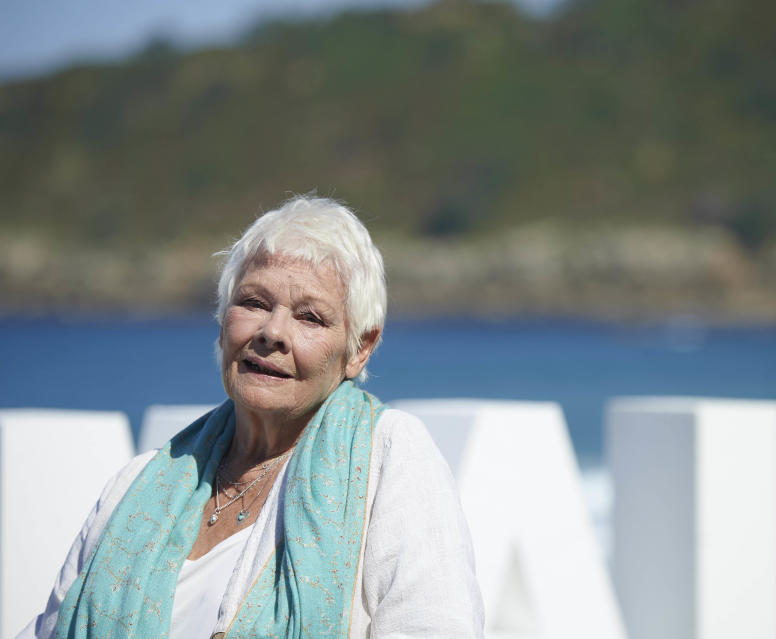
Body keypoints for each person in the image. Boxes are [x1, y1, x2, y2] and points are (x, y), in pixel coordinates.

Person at [20, 196, 484, 638]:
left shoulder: (387, 459)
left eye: (310, 318)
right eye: (255, 303)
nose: (272, 333)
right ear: (224, 321)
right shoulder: (136, 485)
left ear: (358, 349)